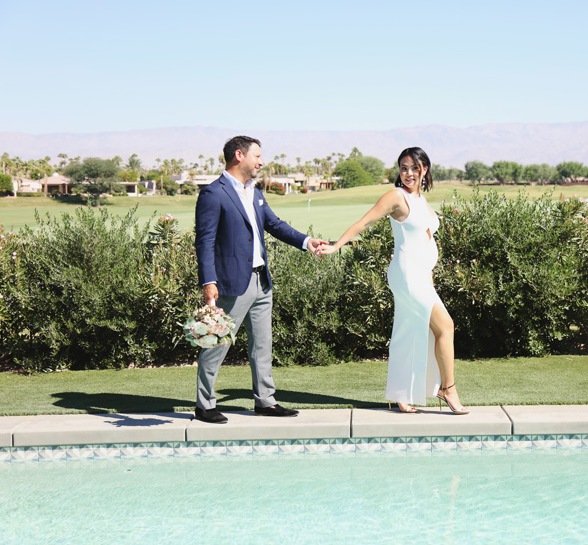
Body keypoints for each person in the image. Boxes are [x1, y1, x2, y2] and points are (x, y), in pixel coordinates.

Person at [317, 147, 468, 415]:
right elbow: (364, 223)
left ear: (425, 169)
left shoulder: (420, 200)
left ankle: (402, 394)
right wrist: (335, 245)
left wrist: (430, 278)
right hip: (407, 274)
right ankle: (448, 388)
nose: (408, 173)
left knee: (411, 331)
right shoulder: (395, 196)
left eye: (413, 167)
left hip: (422, 276)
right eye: (403, 168)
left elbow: (426, 238)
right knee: (446, 327)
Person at [193, 135, 327, 424]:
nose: (261, 162)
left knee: (262, 345)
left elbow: (274, 225)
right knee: (217, 343)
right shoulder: (212, 194)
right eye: (257, 156)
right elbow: (204, 242)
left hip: (261, 281)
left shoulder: (254, 193)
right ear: (239, 155)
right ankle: (205, 405)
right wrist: (209, 282)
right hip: (230, 283)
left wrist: (307, 242)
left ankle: (265, 402)